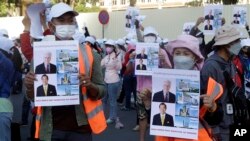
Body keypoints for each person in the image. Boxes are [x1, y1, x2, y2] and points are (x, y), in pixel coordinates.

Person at [24, 3, 106, 141]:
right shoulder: (40, 54)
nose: (67, 25)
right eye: (61, 21)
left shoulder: (89, 53)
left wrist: (89, 85)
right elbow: (32, 97)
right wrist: (29, 85)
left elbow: (102, 91)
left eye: (71, 21)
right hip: (51, 129)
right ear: (50, 26)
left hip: (81, 129)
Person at [155, 34, 223, 141]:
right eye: (177, 53)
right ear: (173, 56)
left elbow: (216, 120)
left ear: (195, 58)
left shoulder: (205, 82)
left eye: (186, 54)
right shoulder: (164, 80)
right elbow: (158, 114)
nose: (181, 57)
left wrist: (213, 107)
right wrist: (148, 105)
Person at [201, 25, 247, 141]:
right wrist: (215, 131)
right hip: (220, 127)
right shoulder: (211, 67)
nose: (239, 43)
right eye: (236, 41)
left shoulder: (229, 62)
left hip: (233, 121)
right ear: (227, 45)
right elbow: (207, 102)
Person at [101, 39, 124, 129]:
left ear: (113, 47)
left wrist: (115, 61)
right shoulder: (107, 56)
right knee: (103, 99)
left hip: (114, 80)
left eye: (109, 46)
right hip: (106, 79)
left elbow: (119, 68)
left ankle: (112, 117)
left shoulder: (116, 57)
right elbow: (101, 64)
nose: (107, 47)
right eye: (106, 46)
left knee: (112, 100)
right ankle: (101, 116)